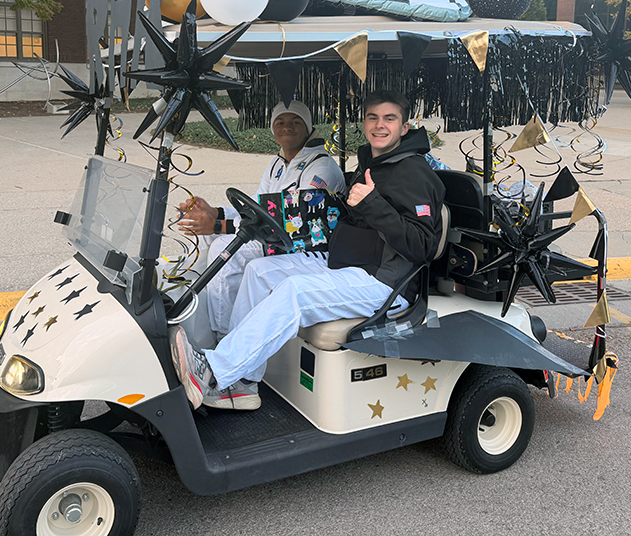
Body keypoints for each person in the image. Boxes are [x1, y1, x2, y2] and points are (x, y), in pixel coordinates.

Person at [171, 90, 445, 411]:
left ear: (404, 126)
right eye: (373, 117)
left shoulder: (414, 172)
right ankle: (243, 382)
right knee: (259, 271)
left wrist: (372, 204)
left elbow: (422, 245)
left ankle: (215, 370)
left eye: (389, 119)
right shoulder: (376, 163)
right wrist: (221, 217)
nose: (379, 125)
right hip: (350, 264)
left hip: (387, 281)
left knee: (294, 291)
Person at [176, 100, 345, 340]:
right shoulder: (277, 164)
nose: (287, 127)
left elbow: (296, 220)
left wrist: (217, 225)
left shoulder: (321, 167)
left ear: (308, 127)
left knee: (225, 249)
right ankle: (199, 312)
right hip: (278, 238)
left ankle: (223, 335)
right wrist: (217, 213)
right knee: (210, 236)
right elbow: (258, 207)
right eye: (280, 122)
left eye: (295, 122)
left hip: (307, 246)